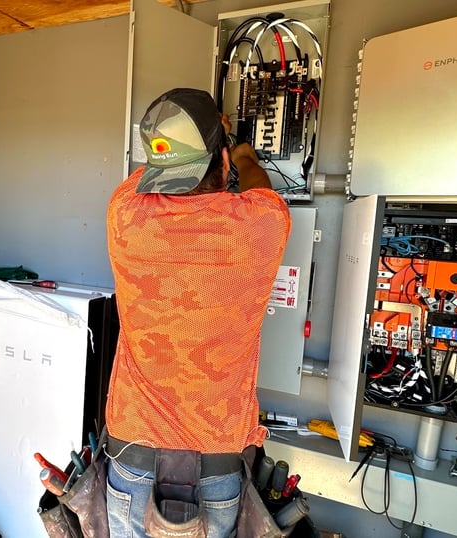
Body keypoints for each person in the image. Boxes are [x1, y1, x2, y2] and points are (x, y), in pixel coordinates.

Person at [104, 87, 292, 537]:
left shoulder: (124, 215)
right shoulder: (260, 226)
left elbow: (150, 168)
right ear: (221, 160)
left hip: (130, 458)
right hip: (216, 467)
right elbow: (260, 187)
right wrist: (241, 154)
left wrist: (192, 142)